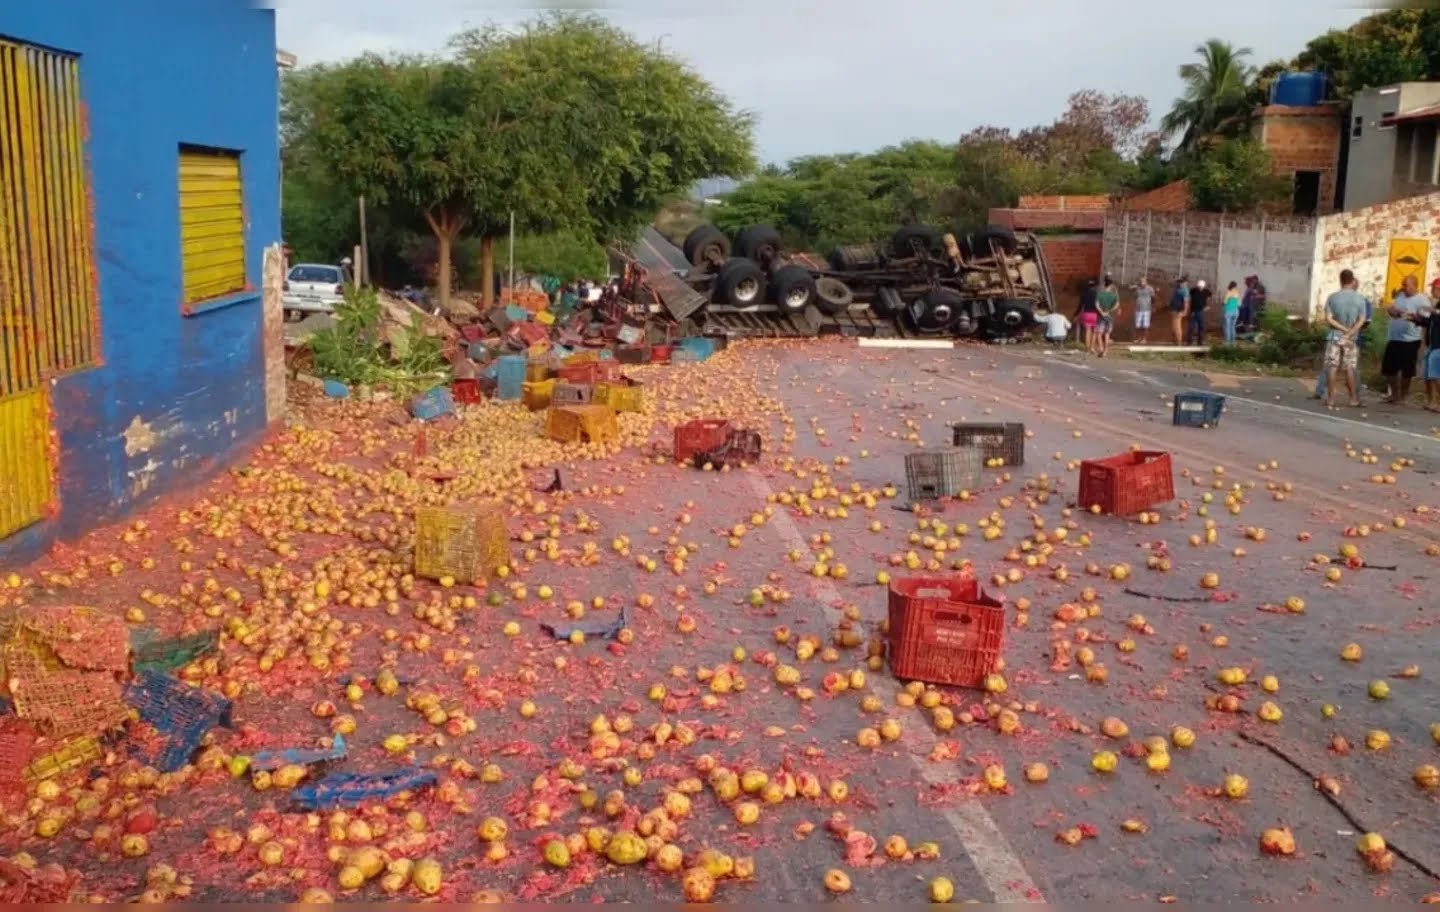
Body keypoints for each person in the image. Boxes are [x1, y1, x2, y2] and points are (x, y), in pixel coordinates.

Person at [1322, 269, 1369, 409]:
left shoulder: (1333, 297)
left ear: (1340, 280)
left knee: (1332, 366)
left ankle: (1331, 398)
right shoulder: (1360, 298)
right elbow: (1362, 319)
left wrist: (1342, 329)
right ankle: (1353, 398)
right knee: (1349, 367)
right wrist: (1351, 332)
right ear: (1352, 280)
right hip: (1351, 338)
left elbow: (1328, 318)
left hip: (1335, 335)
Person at [1382, 275, 1427, 405]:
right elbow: (1392, 310)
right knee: (1389, 368)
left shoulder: (1421, 300)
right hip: (1394, 337)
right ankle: (1394, 394)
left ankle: (1403, 396)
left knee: (1407, 370)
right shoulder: (1400, 296)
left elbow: (1425, 320)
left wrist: (1413, 317)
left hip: (1410, 339)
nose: (1403, 287)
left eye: (1405, 285)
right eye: (1402, 284)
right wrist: (1391, 311)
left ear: (1414, 285)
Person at [1425, 277, 1440, 412]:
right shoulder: (1437, 306)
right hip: (1432, 344)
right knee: (1430, 376)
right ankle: (1432, 402)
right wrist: (1415, 319)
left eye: (1433, 288)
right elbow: (1430, 323)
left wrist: (1434, 312)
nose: (1431, 291)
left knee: (1436, 376)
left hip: (1438, 346)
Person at [1095, 278, 1120, 357]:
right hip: (1110, 316)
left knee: (1099, 333)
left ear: (1104, 284)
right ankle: (1105, 351)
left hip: (1101, 316)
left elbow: (1097, 304)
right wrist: (1109, 310)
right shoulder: (1113, 295)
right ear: (1111, 285)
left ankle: (1101, 348)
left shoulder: (1100, 294)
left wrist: (1102, 312)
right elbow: (1117, 305)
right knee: (1107, 334)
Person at [1186, 279, 1211, 345]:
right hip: (1193, 311)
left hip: (1201, 311)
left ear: (1204, 286)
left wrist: (1207, 306)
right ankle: (1189, 342)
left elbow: (1209, 297)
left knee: (1201, 327)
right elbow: (1189, 298)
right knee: (1191, 327)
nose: (1200, 288)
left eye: (1201, 287)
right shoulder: (1193, 290)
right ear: (1197, 286)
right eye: (1199, 286)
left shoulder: (1207, 291)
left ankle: (1200, 341)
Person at [1078, 279, 1100, 353]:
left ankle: (1087, 348)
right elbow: (1099, 305)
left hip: (1086, 314)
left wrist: (1076, 314)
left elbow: (1080, 306)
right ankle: (1092, 347)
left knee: (1088, 331)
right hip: (1095, 314)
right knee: (1094, 331)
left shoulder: (1084, 294)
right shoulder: (1097, 294)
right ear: (1095, 286)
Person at [1131, 276, 1154, 344]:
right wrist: (1135, 287)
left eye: (1143, 281)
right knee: (1138, 325)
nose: (1142, 282)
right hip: (1138, 309)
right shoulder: (1137, 288)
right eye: (1140, 281)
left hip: (1147, 309)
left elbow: (1153, 298)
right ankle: (1138, 338)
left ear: (1146, 282)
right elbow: (1134, 296)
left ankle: (1144, 339)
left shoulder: (1150, 289)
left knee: (1145, 325)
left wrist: (1153, 306)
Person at [1168, 276, 1190, 346]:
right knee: (1174, 327)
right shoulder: (1177, 289)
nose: (1180, 283)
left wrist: (1184, 311)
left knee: (1177, 327)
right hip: (1174, 310)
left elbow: (1186, 302)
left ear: (1185, 283)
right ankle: (1175, 341)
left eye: (1181, 282)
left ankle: (1179, 342)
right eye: (1179, 282)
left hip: (1178, 311)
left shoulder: (1185, 290)